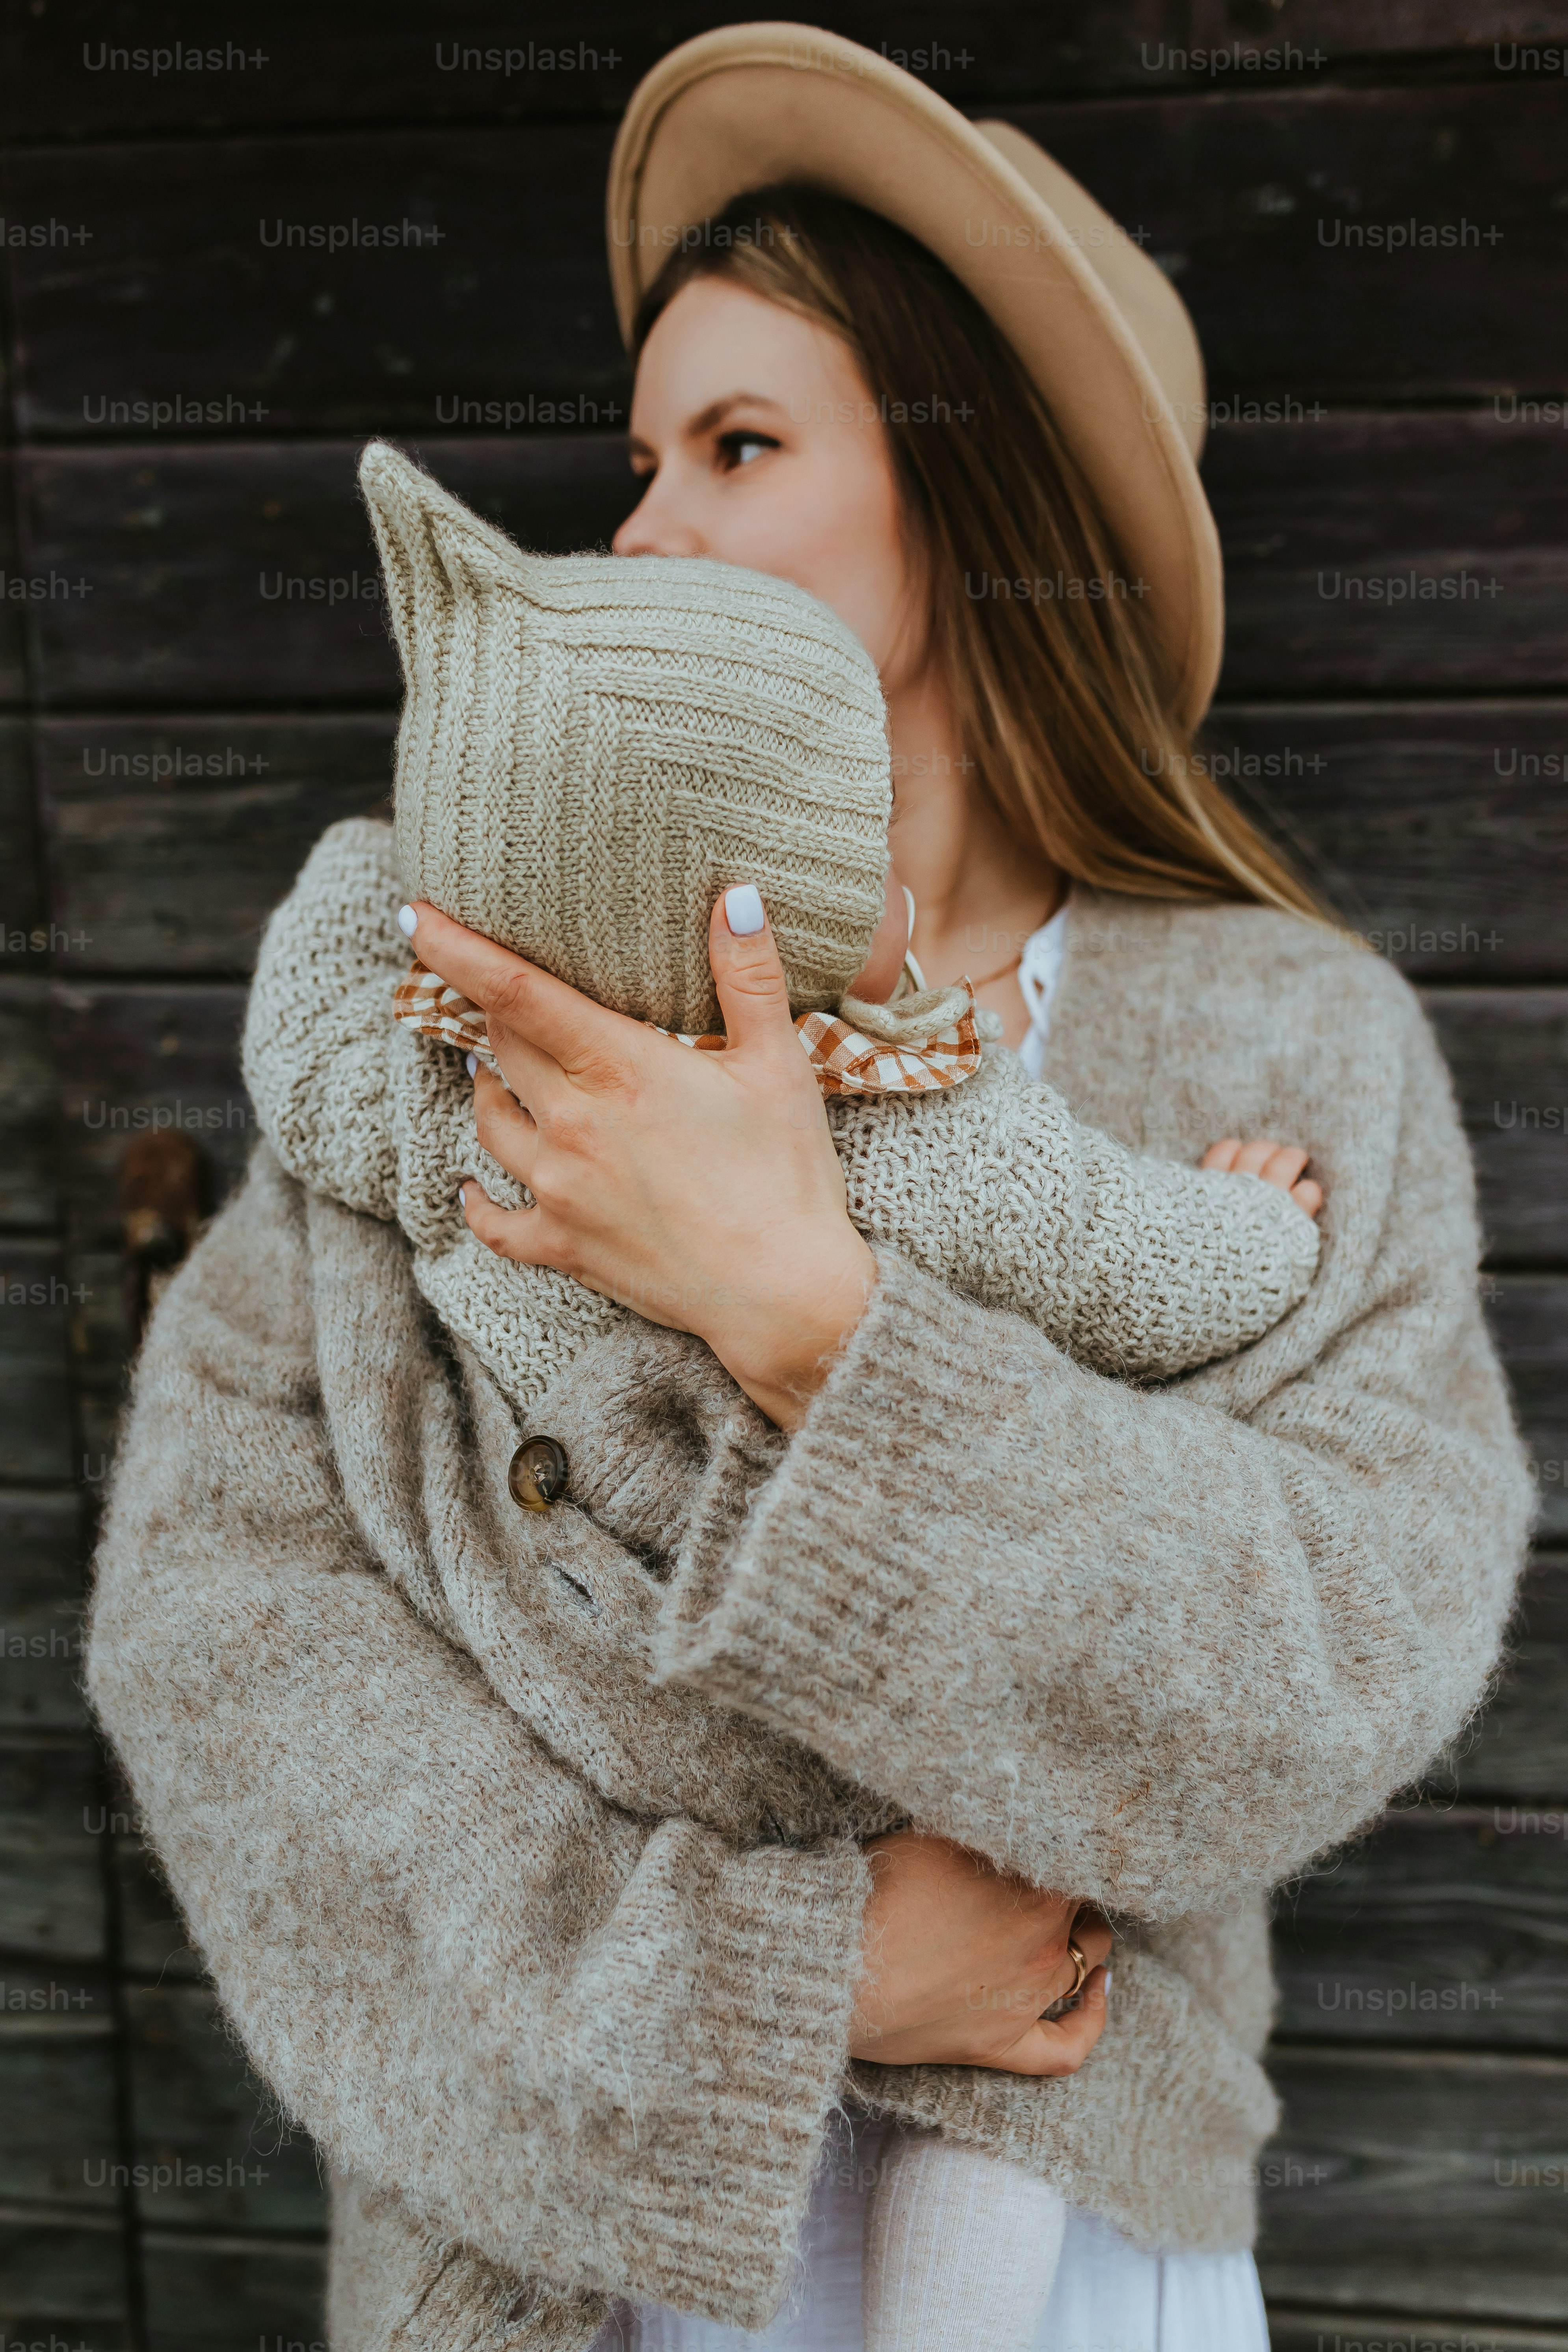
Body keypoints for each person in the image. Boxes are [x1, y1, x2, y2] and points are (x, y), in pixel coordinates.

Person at [86, 27, 1531, 2352]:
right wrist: (786, 1984)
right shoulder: (468, 1009)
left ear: (977, 503)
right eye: (639, 457)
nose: (641, 529)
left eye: (742, 448)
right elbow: (221, 1653)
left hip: (1065, 2287)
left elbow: (1340, 1642)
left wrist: (820, 1327)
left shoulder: (1287, 1046)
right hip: (540, 2288)